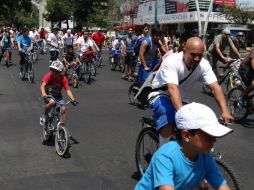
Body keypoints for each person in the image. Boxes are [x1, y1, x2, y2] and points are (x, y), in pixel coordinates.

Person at [148, 37, 233, 146]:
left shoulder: (203, 65)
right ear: (184, 51)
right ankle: (162, 153)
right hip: (160, 95)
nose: (197, 59)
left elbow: (215, 87)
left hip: (182, 99)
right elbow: (172, 88)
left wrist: (225, 111)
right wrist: (183, 113)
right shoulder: (172, 61)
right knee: (168, 113)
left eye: (200, 55)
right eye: (193, 54)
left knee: (200, 118)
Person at [134, 102, 233, 190]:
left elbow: (221, 185)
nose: (214, 140)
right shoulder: (165, 156)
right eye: (208, 136)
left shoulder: (205, 157)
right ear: (186, 135)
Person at [40, 59, 78, 126]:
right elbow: (43, 86)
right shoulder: (49, 75)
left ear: (59, 71)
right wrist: (43, 93)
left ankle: (62, 128)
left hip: (58, 96)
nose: (53, 72)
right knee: (52, 102)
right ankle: (44, 116)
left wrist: (73, 99)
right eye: (52, 70)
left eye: (55, 71)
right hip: (48, 95)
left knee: (64, 109)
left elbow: (68, 90)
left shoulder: (64, 79)